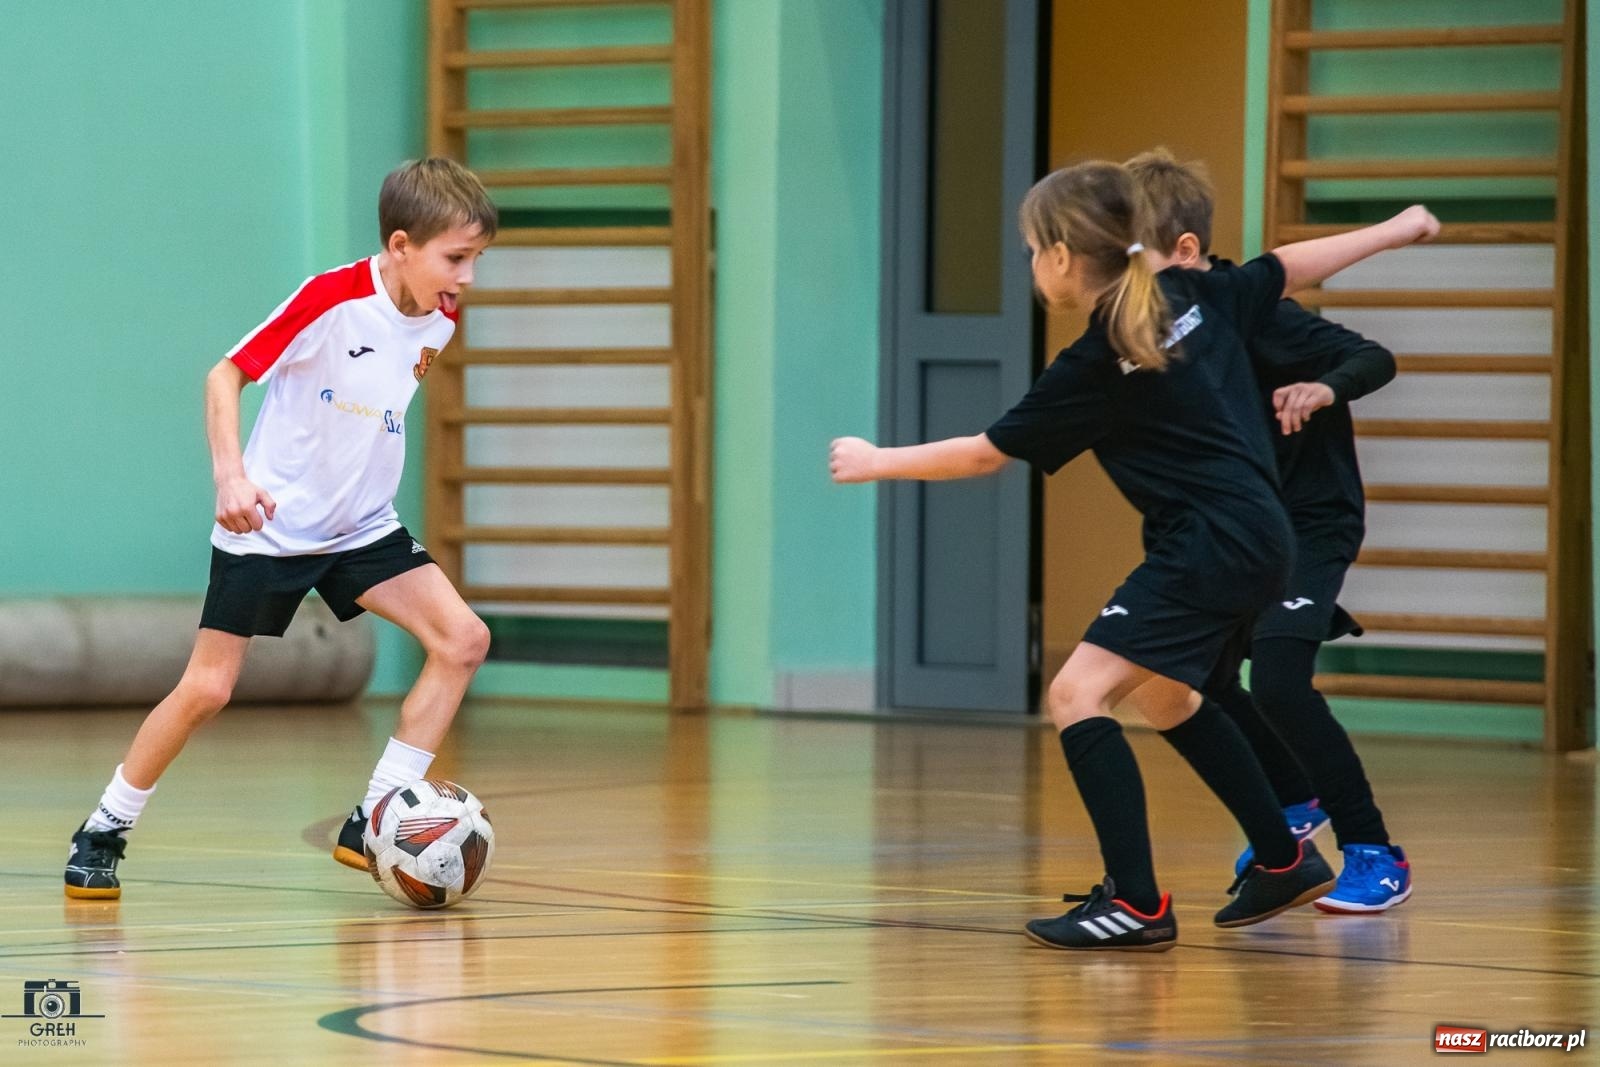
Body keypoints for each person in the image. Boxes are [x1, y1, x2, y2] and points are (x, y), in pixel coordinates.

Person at [830, 160, 1437, 950]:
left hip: (1209, 545)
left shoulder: (1099, 358)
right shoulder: (1194, 293)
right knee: (1164, 694)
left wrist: (876, 460)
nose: (1031, 264)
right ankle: (1283, 857)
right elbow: (1288, 265)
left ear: (1060, 257)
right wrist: (1397, 229)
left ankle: (1137, 903)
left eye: (1031, 250)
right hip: (1258, 536)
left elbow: (983, 453)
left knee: (1077, 693)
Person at [63, 158, 498, 900]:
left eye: (477, 259)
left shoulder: (441, 318)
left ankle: (374, 817)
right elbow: (224, 375)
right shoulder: (331, 299)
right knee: (208, 689)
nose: (468, 277)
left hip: (361, 526)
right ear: (400, 245)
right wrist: (231, 477)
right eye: (456, 258)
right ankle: (104, 826)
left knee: (463, 640)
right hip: (271, 525)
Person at [1126, 148, 1411, 913]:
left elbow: (1371, 356)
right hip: (1241, 528)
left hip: (1310, 519)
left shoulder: (1252, 311)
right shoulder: (1149, 331)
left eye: (1130, 253)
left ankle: (1373, 848)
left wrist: (1322, 387)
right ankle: (1292, 799)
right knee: (1197, 673)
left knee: (1280, 678)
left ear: (1186, 251)